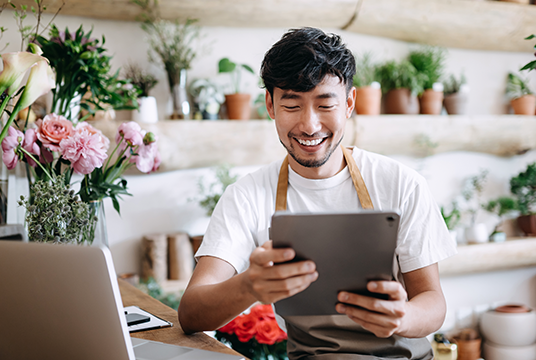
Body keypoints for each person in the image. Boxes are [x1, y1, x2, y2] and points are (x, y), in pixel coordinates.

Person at [178, 27, 457, 359]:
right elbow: (190, 313)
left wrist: (403, 317)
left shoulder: (401, 184)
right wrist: (249, 286)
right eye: (292, 105)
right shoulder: (247, 196)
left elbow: (433, 302)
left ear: (349, 103)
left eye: (325, 104)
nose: (309, 125)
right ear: (270, 104)